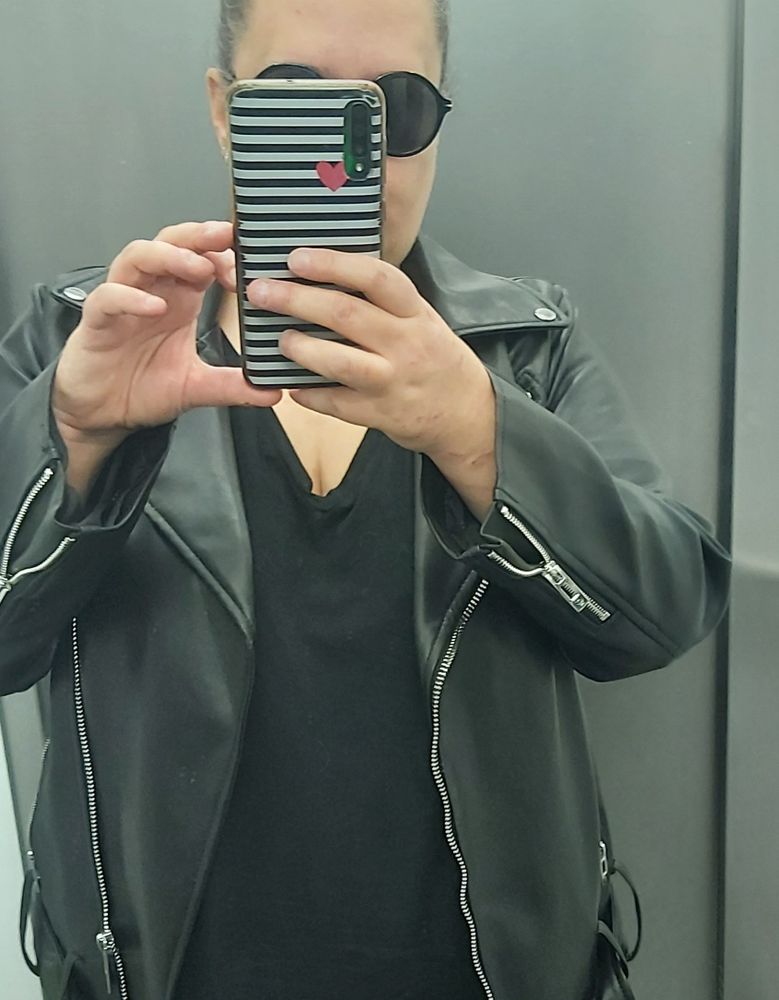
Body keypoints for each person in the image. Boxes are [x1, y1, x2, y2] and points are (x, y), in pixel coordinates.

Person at [0, 1, 730, 999]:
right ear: (224, 110)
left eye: (398, 105)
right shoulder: (83, 343)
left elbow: (663, 612)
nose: (348, 161)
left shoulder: (524, 348)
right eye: (296, 97)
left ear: (440, 120)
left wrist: (481, 435)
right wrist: (77, 438)